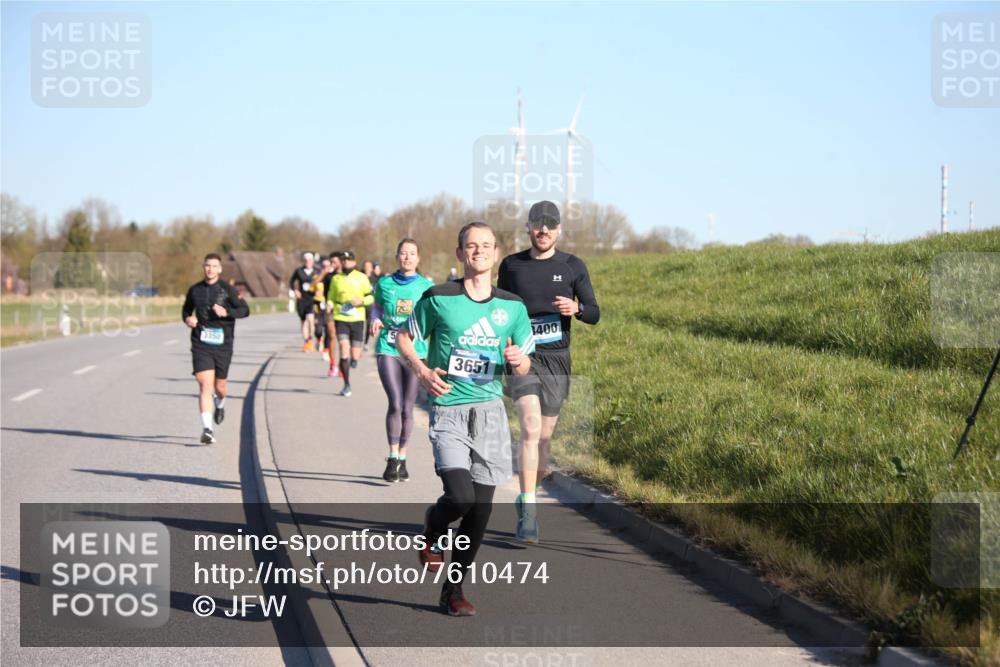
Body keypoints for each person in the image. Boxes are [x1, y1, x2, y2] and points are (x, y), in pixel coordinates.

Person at [396, 221, 535, 616]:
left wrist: (519, 361)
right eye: (471, 246)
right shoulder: (439, 297)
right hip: (450, 409)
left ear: (496, 252)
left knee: (482, 511)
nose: (479, 251)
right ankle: (433, 526)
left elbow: (525, 362)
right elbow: (403, 337)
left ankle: (453, 592)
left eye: (487, 245)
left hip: (489, 413)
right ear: (460, 254)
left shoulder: (512, 306)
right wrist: (422, 371)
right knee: (460, 496)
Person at [497, 200, 601, 543]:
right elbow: (500, 309)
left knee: (544, 437)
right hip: (523, 355)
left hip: (557, 358)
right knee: (529, 427)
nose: (544, 230)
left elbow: (595, 312)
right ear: (528, 227)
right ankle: (529, 508)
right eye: (538, 224)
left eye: (550, 225)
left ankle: (526, 491)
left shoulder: (572, 266)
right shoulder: (512, 265)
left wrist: (578, 308)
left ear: (558, 230)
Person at [370, 239, 434, 482]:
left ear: (418, 258)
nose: (407, 257)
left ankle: (404, 458)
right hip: (388, 346)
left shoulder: (427, 287)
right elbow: (376, 307)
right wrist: (376, 318)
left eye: (412, 254)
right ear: (397, 256)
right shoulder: (384, 283)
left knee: (408, 407)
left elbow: (433, 317)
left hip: (415, 352)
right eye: (403, 253)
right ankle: (393, 457)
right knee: (395, 403)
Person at [181, 253, 250, 444]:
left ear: (219, 269)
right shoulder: (195, 290)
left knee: (220, 387)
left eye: (213, 266)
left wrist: (227, 312)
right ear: (203, 267)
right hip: (200, 343)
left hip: (223, 344)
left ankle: (220, 403)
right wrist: (188, 318)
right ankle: (207, 429)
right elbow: (186, 309)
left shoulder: (228, 290)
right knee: (205, 385)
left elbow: (245, 310)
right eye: (207, 265)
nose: (209, 269)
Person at [327, 250, 373, 396]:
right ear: (341, 262)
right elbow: (331, 296)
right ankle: (347, 384)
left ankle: (355, 359)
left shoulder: (362, 278)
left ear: (354, 262)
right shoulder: (336, 279)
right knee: (343, 348)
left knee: (355, 354)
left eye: (349, 260)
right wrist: (329, 304)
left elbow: (371, 297)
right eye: (343, 260)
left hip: (357, 317)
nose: (346, 262)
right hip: (341, 317)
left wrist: (362, 301)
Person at [290, 252, 318, 352]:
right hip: (302, 299)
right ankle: (307, 341)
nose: (308, 262)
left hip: (312, 298)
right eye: (306, 260)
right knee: (303, 321)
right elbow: (292, 281)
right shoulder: (299, 271)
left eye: (310, 260)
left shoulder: (316, 271)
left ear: (313, 261)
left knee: (310, 319)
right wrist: (295, 290)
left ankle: (311, 338)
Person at [311, 256, 334, 361]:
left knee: (328, 329)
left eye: (327, 265)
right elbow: (312, 286)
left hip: (329, 305)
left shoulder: (333, 276)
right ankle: (319, 338)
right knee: (318, 329)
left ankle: (326, 349)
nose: (326, 267)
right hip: (318, 304)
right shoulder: (318, 275)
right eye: (323, 265)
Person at [363, 260, 377, 350]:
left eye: (369, 266)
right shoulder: (359, 277)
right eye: (365, 266)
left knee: (368, 324)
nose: (367, 268)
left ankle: (366, 342)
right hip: (360, 304)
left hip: (370, 304)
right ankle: (357, 340)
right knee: (359, 323)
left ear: (372, 268)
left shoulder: (375, 279)